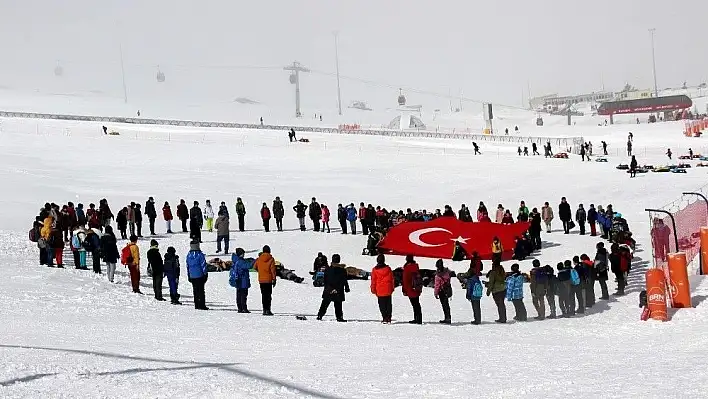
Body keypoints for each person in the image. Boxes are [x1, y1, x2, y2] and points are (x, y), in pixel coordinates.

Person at [317, 254, 350, 322]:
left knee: (325, 303)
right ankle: (339, 317)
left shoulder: (328, 269)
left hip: (328, 289)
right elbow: (344, 280)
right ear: (339, 260)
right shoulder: (342, 270)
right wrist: (346, 288)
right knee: (338, 305)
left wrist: (330, 288)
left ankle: (320, 315)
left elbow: (325, 280)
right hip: (339, 290)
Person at [371, 254, 394, 323]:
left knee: (382, 305)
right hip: (388, 289)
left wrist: (373, 289)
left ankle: (384, 318)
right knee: (388, 304)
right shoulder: (388, 269)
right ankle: (389, 318)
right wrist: (392, 288)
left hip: (380, 290)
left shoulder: (375, 270)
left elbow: (373, 281)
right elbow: (392, 279)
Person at [254, 245, 276, 315]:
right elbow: (273, 270)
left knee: (263, 295)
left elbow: (254, 267)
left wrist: (260, 271)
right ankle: (268, 310)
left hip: (261, 280)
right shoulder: (271, 259)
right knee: (268, 295)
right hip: (268, 280)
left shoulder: (259, 259)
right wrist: (274, 279)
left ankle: (264, 310)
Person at [186, 241, 208, 310]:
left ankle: (197, 304)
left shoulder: (188, 255)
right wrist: (205, 274)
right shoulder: (200, 255)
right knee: (201, 290)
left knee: (195, 290)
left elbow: (187, 266)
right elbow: (203, 265)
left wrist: (189, 275)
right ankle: (202, 305)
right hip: (200, 275)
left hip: (192, 275)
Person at [401, 255, 423, 324]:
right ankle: (418, 318)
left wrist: (404, 290)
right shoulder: (415, 266)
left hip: (410, 289)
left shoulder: (407, 268)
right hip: (416, 288)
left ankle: (417, 319)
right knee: (417, 304)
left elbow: (405, 280)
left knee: (415, 304)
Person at [230, 248, 252, 313]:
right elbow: (247, 266)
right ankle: (243, 308)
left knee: (239, 294)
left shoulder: (236, 260)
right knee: (243, 295)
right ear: (241, 254)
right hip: (243, 281)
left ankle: (240, 308)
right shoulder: (240, 261)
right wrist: (254, 261)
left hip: (238, 281)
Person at [433, 259, 453, 324]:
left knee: (444, 305)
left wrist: (436, 293)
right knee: (446, 305)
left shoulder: (438, 275)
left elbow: (437, 285)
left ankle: (447, 318)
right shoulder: (447, 272)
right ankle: (448, 318)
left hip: (442, 291)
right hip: (447, 289)